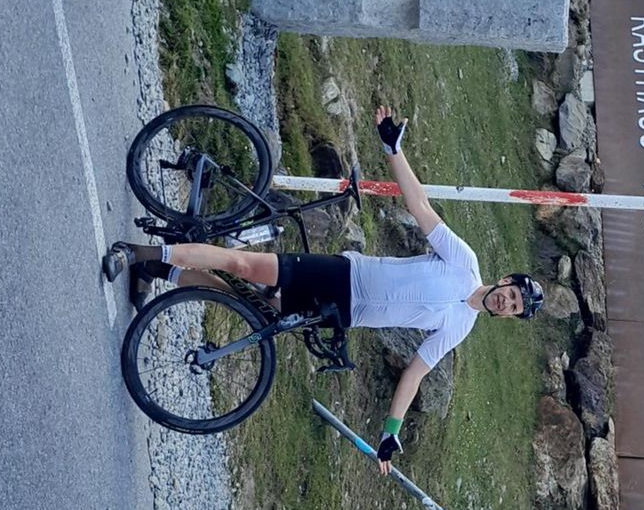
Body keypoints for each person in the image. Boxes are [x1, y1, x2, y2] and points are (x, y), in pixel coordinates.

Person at [101, 109, 542, 468]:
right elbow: (421, 207)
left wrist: (391, 432)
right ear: (506, 280)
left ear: (507, 316)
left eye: (514, 308)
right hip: (341, 276)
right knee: (242, 264)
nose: (507, 301)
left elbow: (415, 374)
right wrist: (393, 150)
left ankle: (161, 270)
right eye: (512, 294)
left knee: (241, 300)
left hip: (338, 313)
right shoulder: (465, 262)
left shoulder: (461, 326)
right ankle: (136, 253)